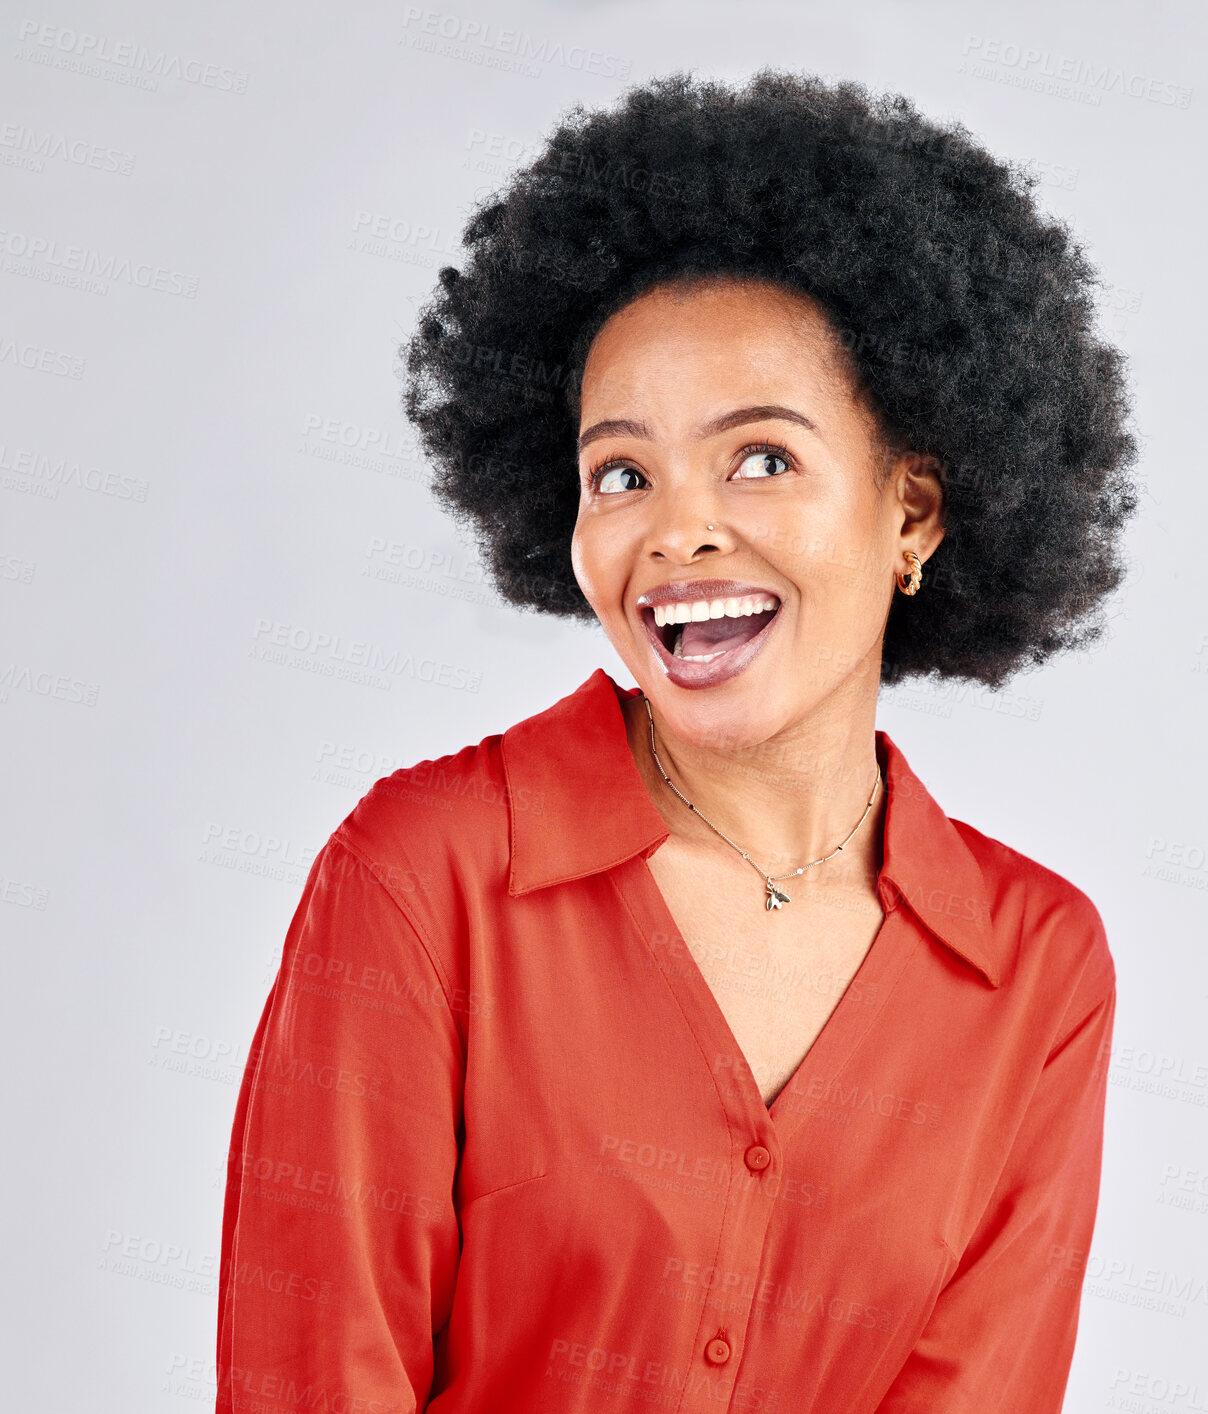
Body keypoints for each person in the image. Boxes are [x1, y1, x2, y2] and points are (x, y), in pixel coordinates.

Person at [217, 69, 1139, 1413]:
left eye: (759, 457)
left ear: (913, 514)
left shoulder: (1031, 967)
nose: (677, 530)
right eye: (620, 472)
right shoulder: (427, 879)